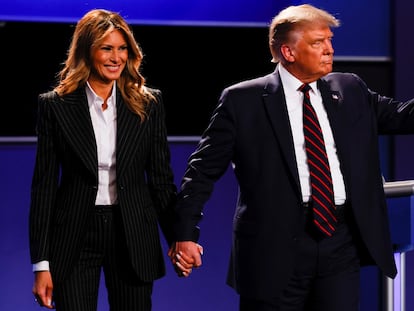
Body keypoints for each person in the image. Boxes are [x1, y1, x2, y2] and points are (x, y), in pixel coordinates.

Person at [168, 4, 414, 311]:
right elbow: (202, 171)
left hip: (340, 243)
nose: (329, 49)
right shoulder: (242, 100)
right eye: (317, 43)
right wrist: (185, 234)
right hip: (272, 249)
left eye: (329, 41)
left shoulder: (349, 88)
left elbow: (404, 117)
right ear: (288, 52)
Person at [28, 9, 187, 310]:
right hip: (74, 234)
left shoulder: (148, 104)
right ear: (88, 51)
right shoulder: (55, 106)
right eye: (107, 48)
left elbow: (161, 182)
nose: (116, 57)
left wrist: (179, 239)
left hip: (132, 234)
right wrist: (41, 263)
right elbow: (44, 188)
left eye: (122, 48)